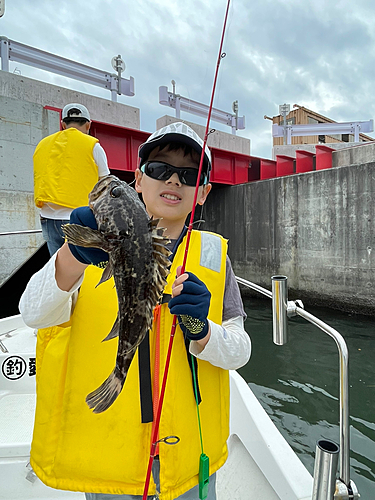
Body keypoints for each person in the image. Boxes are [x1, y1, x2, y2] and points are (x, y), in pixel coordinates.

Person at [19, 122, 251, 500]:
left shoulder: (215, 259)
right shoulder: (89, 248)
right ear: (139, 180)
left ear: (204, 192)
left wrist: (202, 329)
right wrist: (73, 255)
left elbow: (240, 350)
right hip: (110, 461)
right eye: (160, 169)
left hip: (187, 467)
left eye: (188, 175)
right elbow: (32, 313)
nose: (173, 181)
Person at [33, 102, 110, 256]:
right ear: (88, 125)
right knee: (84, 269)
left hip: (48, 218)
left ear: (63, 124)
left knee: (57, 268)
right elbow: (105, 185)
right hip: (79, 219)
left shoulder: (43, 144)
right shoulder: (93, 146)